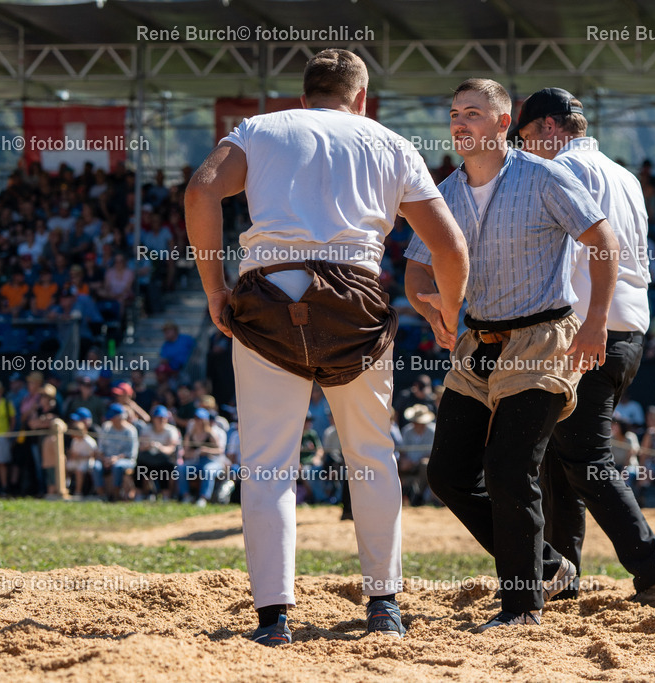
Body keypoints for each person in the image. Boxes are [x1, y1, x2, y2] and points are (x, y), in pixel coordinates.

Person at [184, 48, 468, 645]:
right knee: (370, 455)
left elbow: (200, 191)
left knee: (267, 464)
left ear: (305, 91)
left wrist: (215, 289)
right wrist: (449, 313)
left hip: (268, 291)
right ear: (361, 98)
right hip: (354, 295)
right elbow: (450, 248)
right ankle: (384, 604)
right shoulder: (388, 142)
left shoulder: (260, 129)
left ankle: (273, 618)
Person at [405, 78, 619, 631]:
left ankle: (521, 606)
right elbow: (415, 267)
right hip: (477, 340)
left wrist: (595, 324)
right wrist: (430, 311)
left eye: (473, 113)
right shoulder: (443, 191)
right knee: (448, 475)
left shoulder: (546, 176)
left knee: (508, 466)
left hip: (543, 338)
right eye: (454, 113)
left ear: (503, 123)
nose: (460, 123)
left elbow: (604, 243)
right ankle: (549, 565)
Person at [513, 87, 655, 611]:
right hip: (627, 327)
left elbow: (573, 253)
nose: (523, 148)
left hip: (588, 327)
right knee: (559, 453)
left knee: (582, 455)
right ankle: (564, 573)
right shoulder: (625, 175)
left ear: (548, 128)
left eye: (525, 137)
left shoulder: (560, 170)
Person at [398, 404, 436, 505]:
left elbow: (432, 453)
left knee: (425, 465)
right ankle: (400, 497)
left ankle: (419, 496)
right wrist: (404, 460)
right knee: (396, 464)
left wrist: (415, 462)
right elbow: (402, 451)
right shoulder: (407, 431)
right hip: (409, 463)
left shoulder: (432, 431)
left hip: (422, 463)